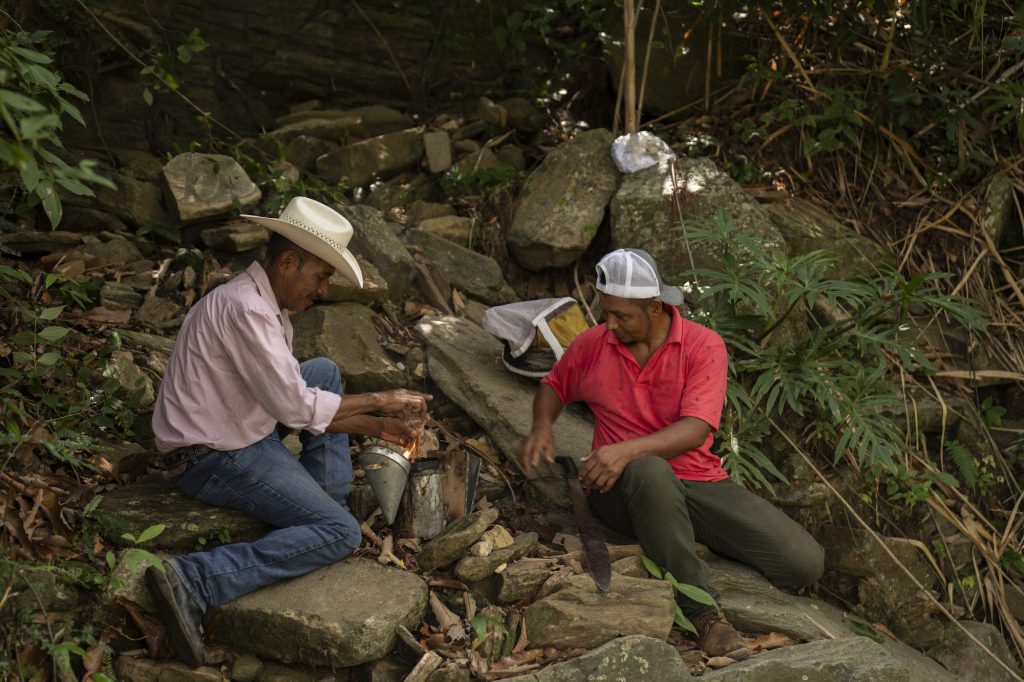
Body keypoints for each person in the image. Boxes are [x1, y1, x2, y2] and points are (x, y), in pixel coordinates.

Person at [147, 196, 431, 667]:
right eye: (320, 277)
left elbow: (298, 401)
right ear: (287, 262)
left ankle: (317, 504)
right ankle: (194, 578)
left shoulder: (265, 306)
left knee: (321, 371)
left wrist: (378, 426)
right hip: (207, 456)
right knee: (340, 534)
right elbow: (295, 407)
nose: (321, 290)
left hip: (235, 426)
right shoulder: (248, 311)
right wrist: (381, 400)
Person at [519, 248, 823, 657]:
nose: (609, 324)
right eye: (606, 313)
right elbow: (553, 386)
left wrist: (624, 449)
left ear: (655, 308)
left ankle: (671, 531)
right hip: (620, 490)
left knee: (803, 563)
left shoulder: (702, 345)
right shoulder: (594, 345)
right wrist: (542, 427)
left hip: (699, 480)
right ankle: (704, 615)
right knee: (649, 471)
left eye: (621, 316)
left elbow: (696, 429)